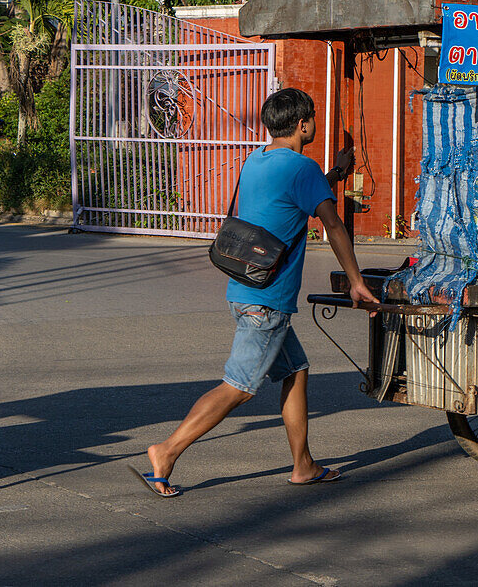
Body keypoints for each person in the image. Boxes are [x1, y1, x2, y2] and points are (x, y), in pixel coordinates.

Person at [129, 88, 379, 497]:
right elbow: (332, 225)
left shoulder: (256, 161)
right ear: (303, 124)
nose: (314, 123)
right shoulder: (304, 168)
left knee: (295, 371)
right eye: (313, 118)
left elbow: (290, 198)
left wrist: (333, 174)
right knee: (240, 386)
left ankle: (303, 465)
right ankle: (167, 451)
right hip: (269, 300)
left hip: (243, 288)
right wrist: (356, 281)